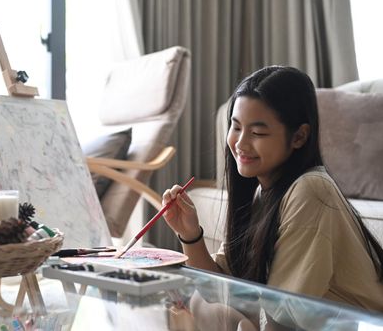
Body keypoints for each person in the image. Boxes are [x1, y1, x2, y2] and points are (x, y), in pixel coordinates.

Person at [163, 66, 383, 312]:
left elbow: (283, 313)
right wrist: (190, 234)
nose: (241, 143)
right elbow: (219, 288)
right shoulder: (261, 191)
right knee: (199, 307)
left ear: (299, 137)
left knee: (205, 311)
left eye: (257, 132)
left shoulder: (311, 190)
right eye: (236, 127)